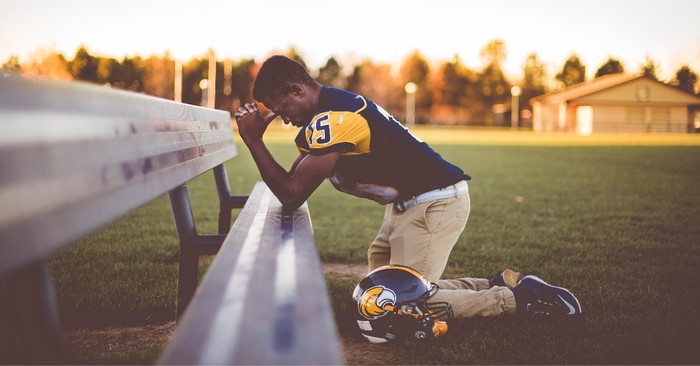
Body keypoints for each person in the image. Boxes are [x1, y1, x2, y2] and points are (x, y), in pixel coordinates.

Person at [234, 55, 581, 324]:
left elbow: (292, 193)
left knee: (403, 303)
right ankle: (497, 284)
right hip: (409, 205)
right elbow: (293, 182)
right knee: (381, 294)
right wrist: (257, 140)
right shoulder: (328, 111)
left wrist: (252, 141)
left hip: (433, 204)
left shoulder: (335, 117)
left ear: (297, 90)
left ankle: (519, 300)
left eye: (283, 110)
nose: (285, 118)